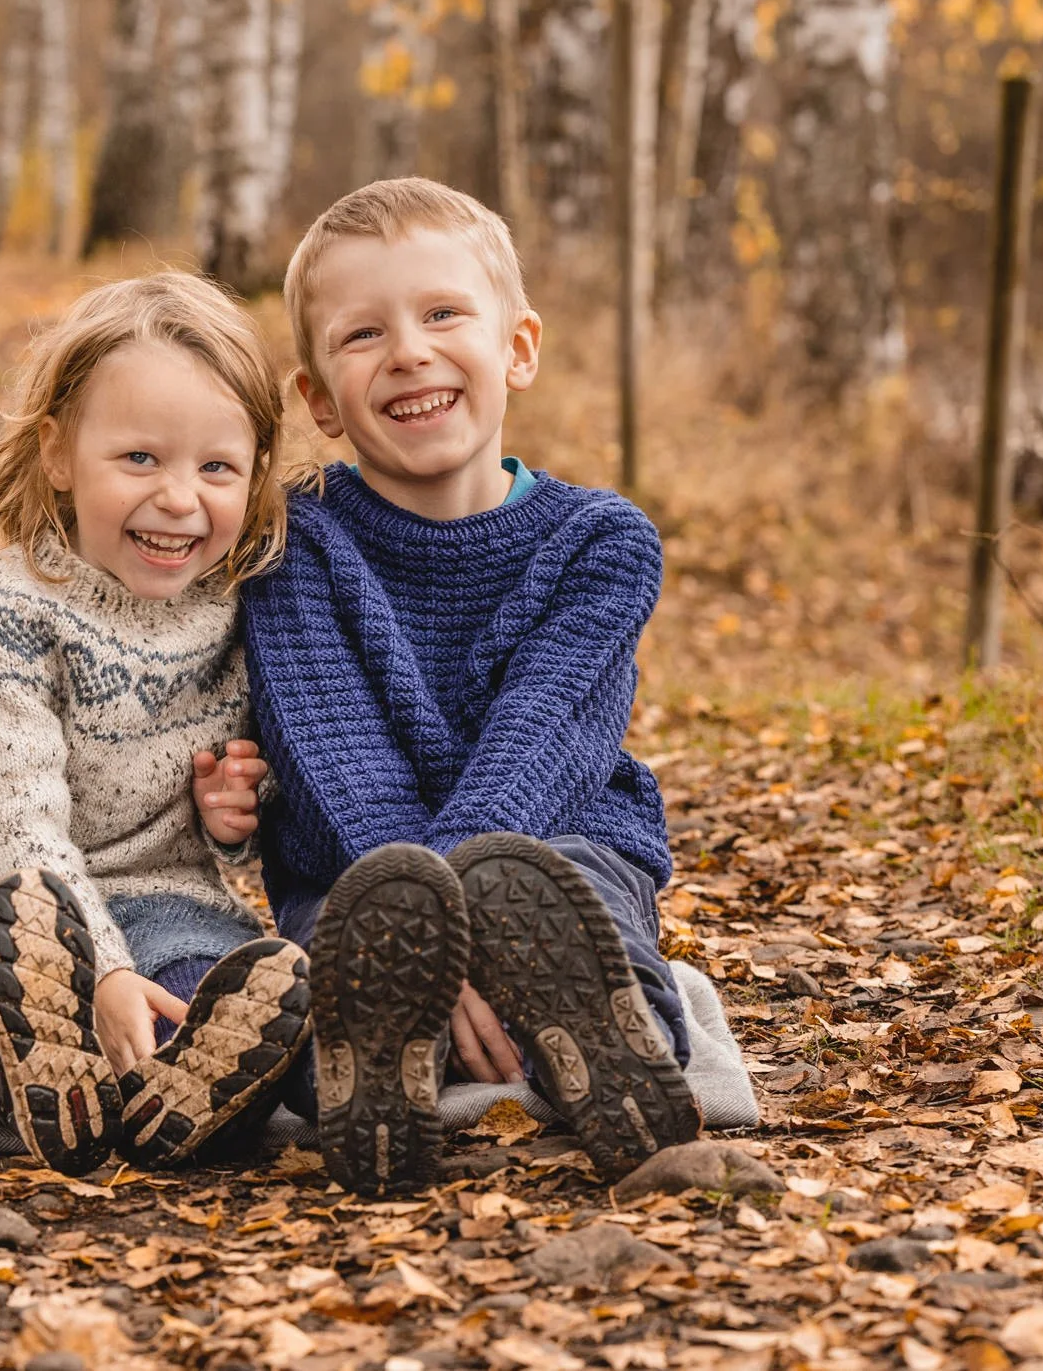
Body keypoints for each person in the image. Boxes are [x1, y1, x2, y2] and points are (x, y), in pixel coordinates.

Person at [242, 178, 701, 1195]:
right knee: (338, 966)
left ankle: (611, 1055)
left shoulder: (600, 543)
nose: (408, 350)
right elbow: (338, 760)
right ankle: (374, 1083)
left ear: (517, 349)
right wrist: (424, 923)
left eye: (443, 314)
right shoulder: (293, 541)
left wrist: (461, 922)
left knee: (586, 913)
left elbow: (542, 742)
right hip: (363, 874)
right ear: (318, 399)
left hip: (557, 840)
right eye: (363, 334)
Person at [0, 272, 308, 1175]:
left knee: (213, 982)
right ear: (58, 454)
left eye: (216, 468)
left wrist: (232, 819)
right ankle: (38, 1084)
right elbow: (16, 818)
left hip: (165, 893)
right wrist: (101, 970)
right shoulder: (10, 608)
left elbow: (234, 825)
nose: (179, 499)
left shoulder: (241, 605)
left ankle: (195, 1096)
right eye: (140, 459)